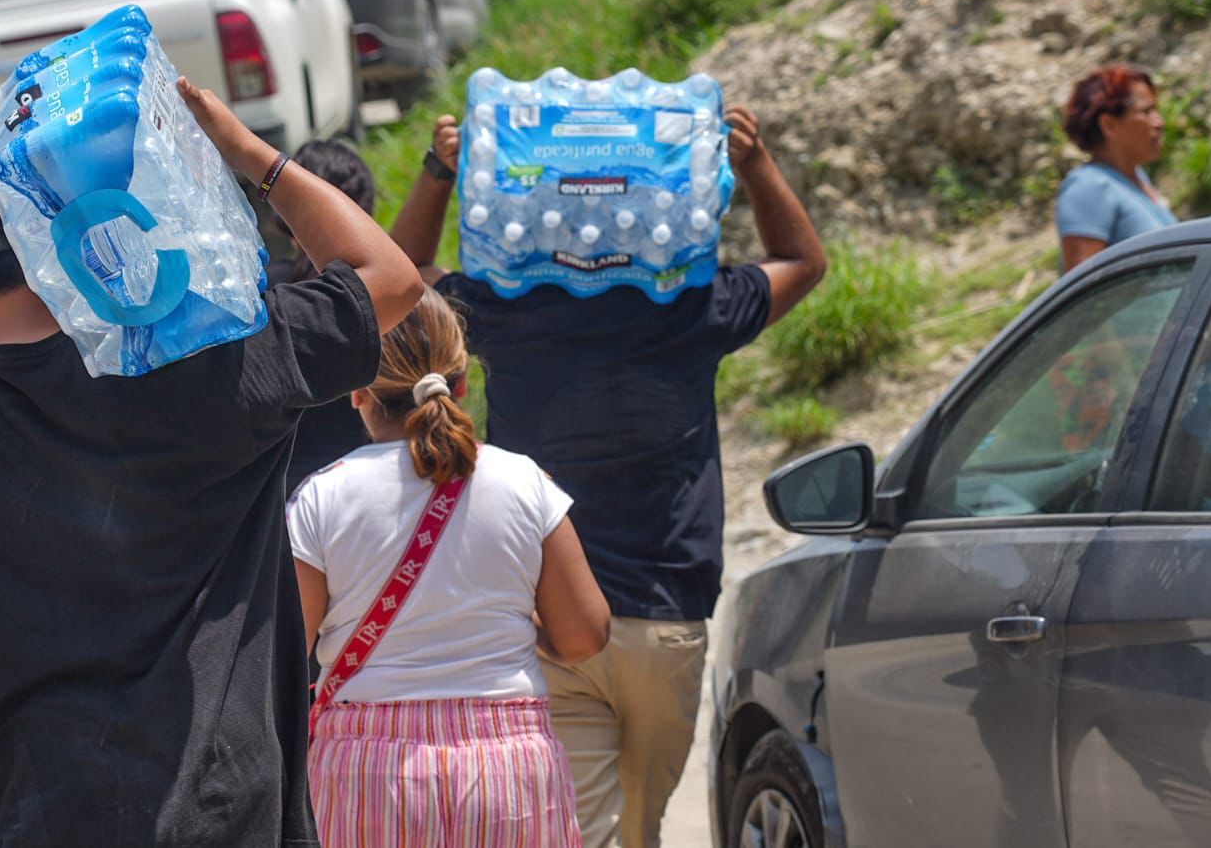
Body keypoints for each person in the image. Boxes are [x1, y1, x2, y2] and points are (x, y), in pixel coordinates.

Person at [0, 78, 424, 848]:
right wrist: (244, 151)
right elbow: (392, 279)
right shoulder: (194, 356)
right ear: (52, 246)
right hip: (233, 823)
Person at [401, 104, 826, 848]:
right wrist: (755, 162)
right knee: (640, 828)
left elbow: (399, 283)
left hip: (552, 617)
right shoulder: (692, 306)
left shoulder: (508, 307)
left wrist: (438, 174)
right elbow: (803, 261)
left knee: (579, 830)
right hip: (665, 621)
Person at [290, 287, 610, 846]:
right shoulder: (525, 482)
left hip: (368, 772)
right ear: (461, 383)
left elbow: (287, 652)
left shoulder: (322, 496)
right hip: (510, 771)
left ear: (358, 390)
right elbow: (584, 634)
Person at [269, 125, 461, 488]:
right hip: (384, 479)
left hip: (286, 486)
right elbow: (410, 272)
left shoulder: (265, 293)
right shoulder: (386, 296)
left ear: (284, 214)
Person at [1057, 64, 1176, 272]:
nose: (1159, 122)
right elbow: (1084, 283)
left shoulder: (1134, 177)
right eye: (1146, 111)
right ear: (1109, 125)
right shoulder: (1090, 188)